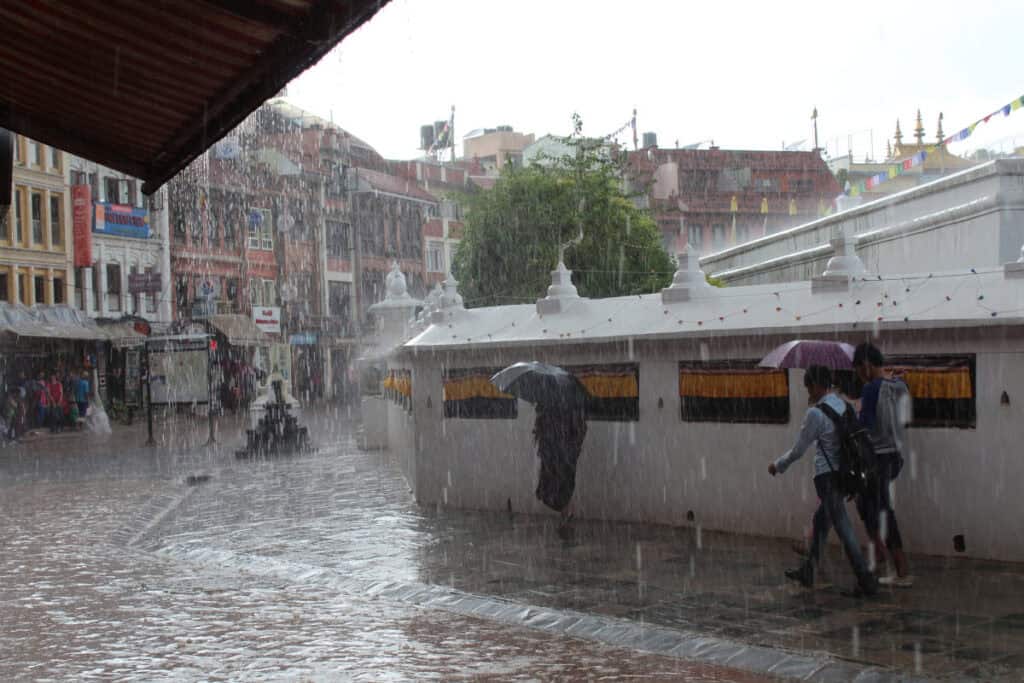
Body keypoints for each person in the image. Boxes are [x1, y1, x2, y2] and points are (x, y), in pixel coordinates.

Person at [769, 365, 879, 597]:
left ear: (818, 386)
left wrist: (778, 465)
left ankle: (865, 579)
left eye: (808, 387)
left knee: (843, 528)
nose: (808, 392)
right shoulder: (843, 406)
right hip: (844, 475)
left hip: (827, 477)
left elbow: (799, 450)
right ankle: (808, 570)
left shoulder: (816, 413)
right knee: (822, 522)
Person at [853, 342, 914, 587]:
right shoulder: (899, 385)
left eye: (859, 369)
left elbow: (864, 425)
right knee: (869, 503)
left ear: (867, 365)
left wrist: (852, 407)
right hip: (895, 456)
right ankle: (880, 553)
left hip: (876, 456)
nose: (859, 375)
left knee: (880, 509)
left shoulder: (869, 389)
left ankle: (899, 568)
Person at [533, 399, 588, 527]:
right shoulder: (549, 408)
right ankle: (566, 512)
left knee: (562, 483)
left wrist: (572, 447)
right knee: (556, 485)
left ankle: (566, 513)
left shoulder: (569, 408)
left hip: (563, 453)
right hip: (555, 453)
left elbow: (579, 428)